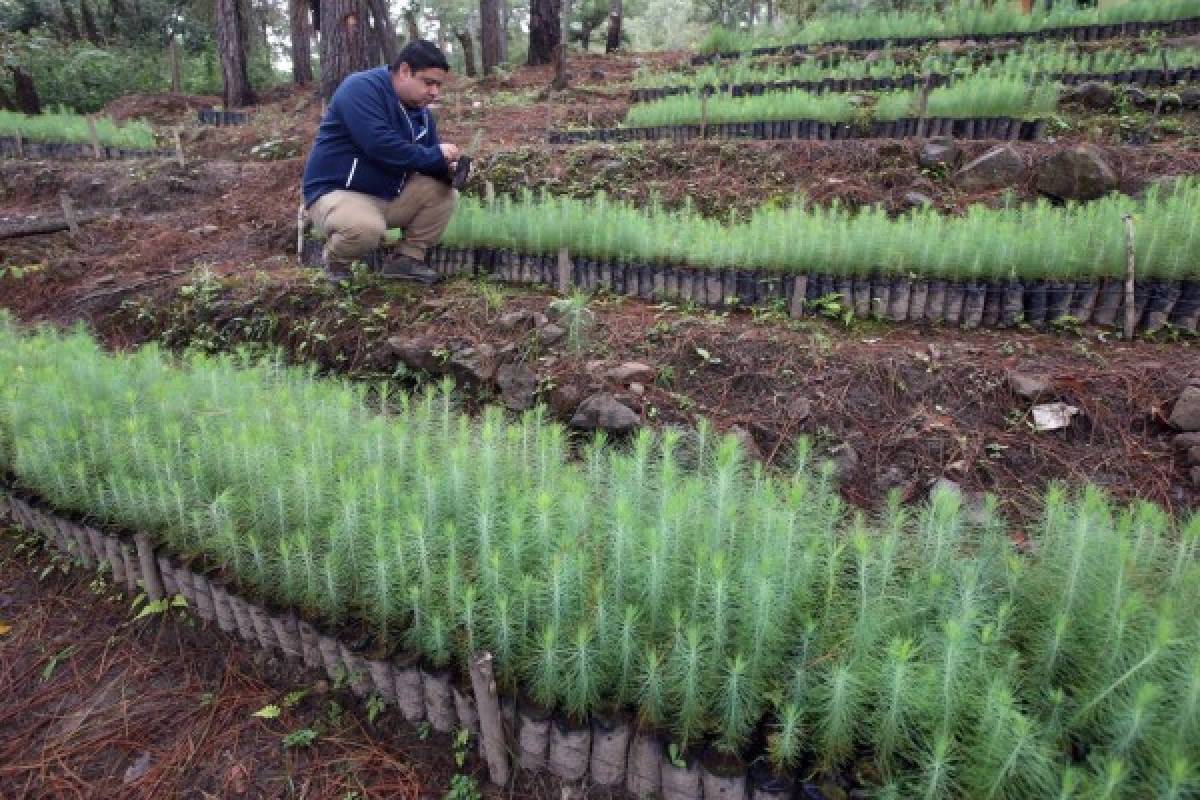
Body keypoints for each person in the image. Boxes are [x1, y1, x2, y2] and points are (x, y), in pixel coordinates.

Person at [302, 40, 461, 283]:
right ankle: (336, 261)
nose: (434, 92)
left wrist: (448, 170)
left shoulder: (422, 114)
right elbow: (379, 145)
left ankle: (406, 261)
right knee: (365, 229)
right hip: (337, 192)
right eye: (428, 83)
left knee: (443, 192)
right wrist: (436, 155)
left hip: (386, 197)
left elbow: (426, 160)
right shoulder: (361, 88)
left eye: (438, 85)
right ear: (405, 71)